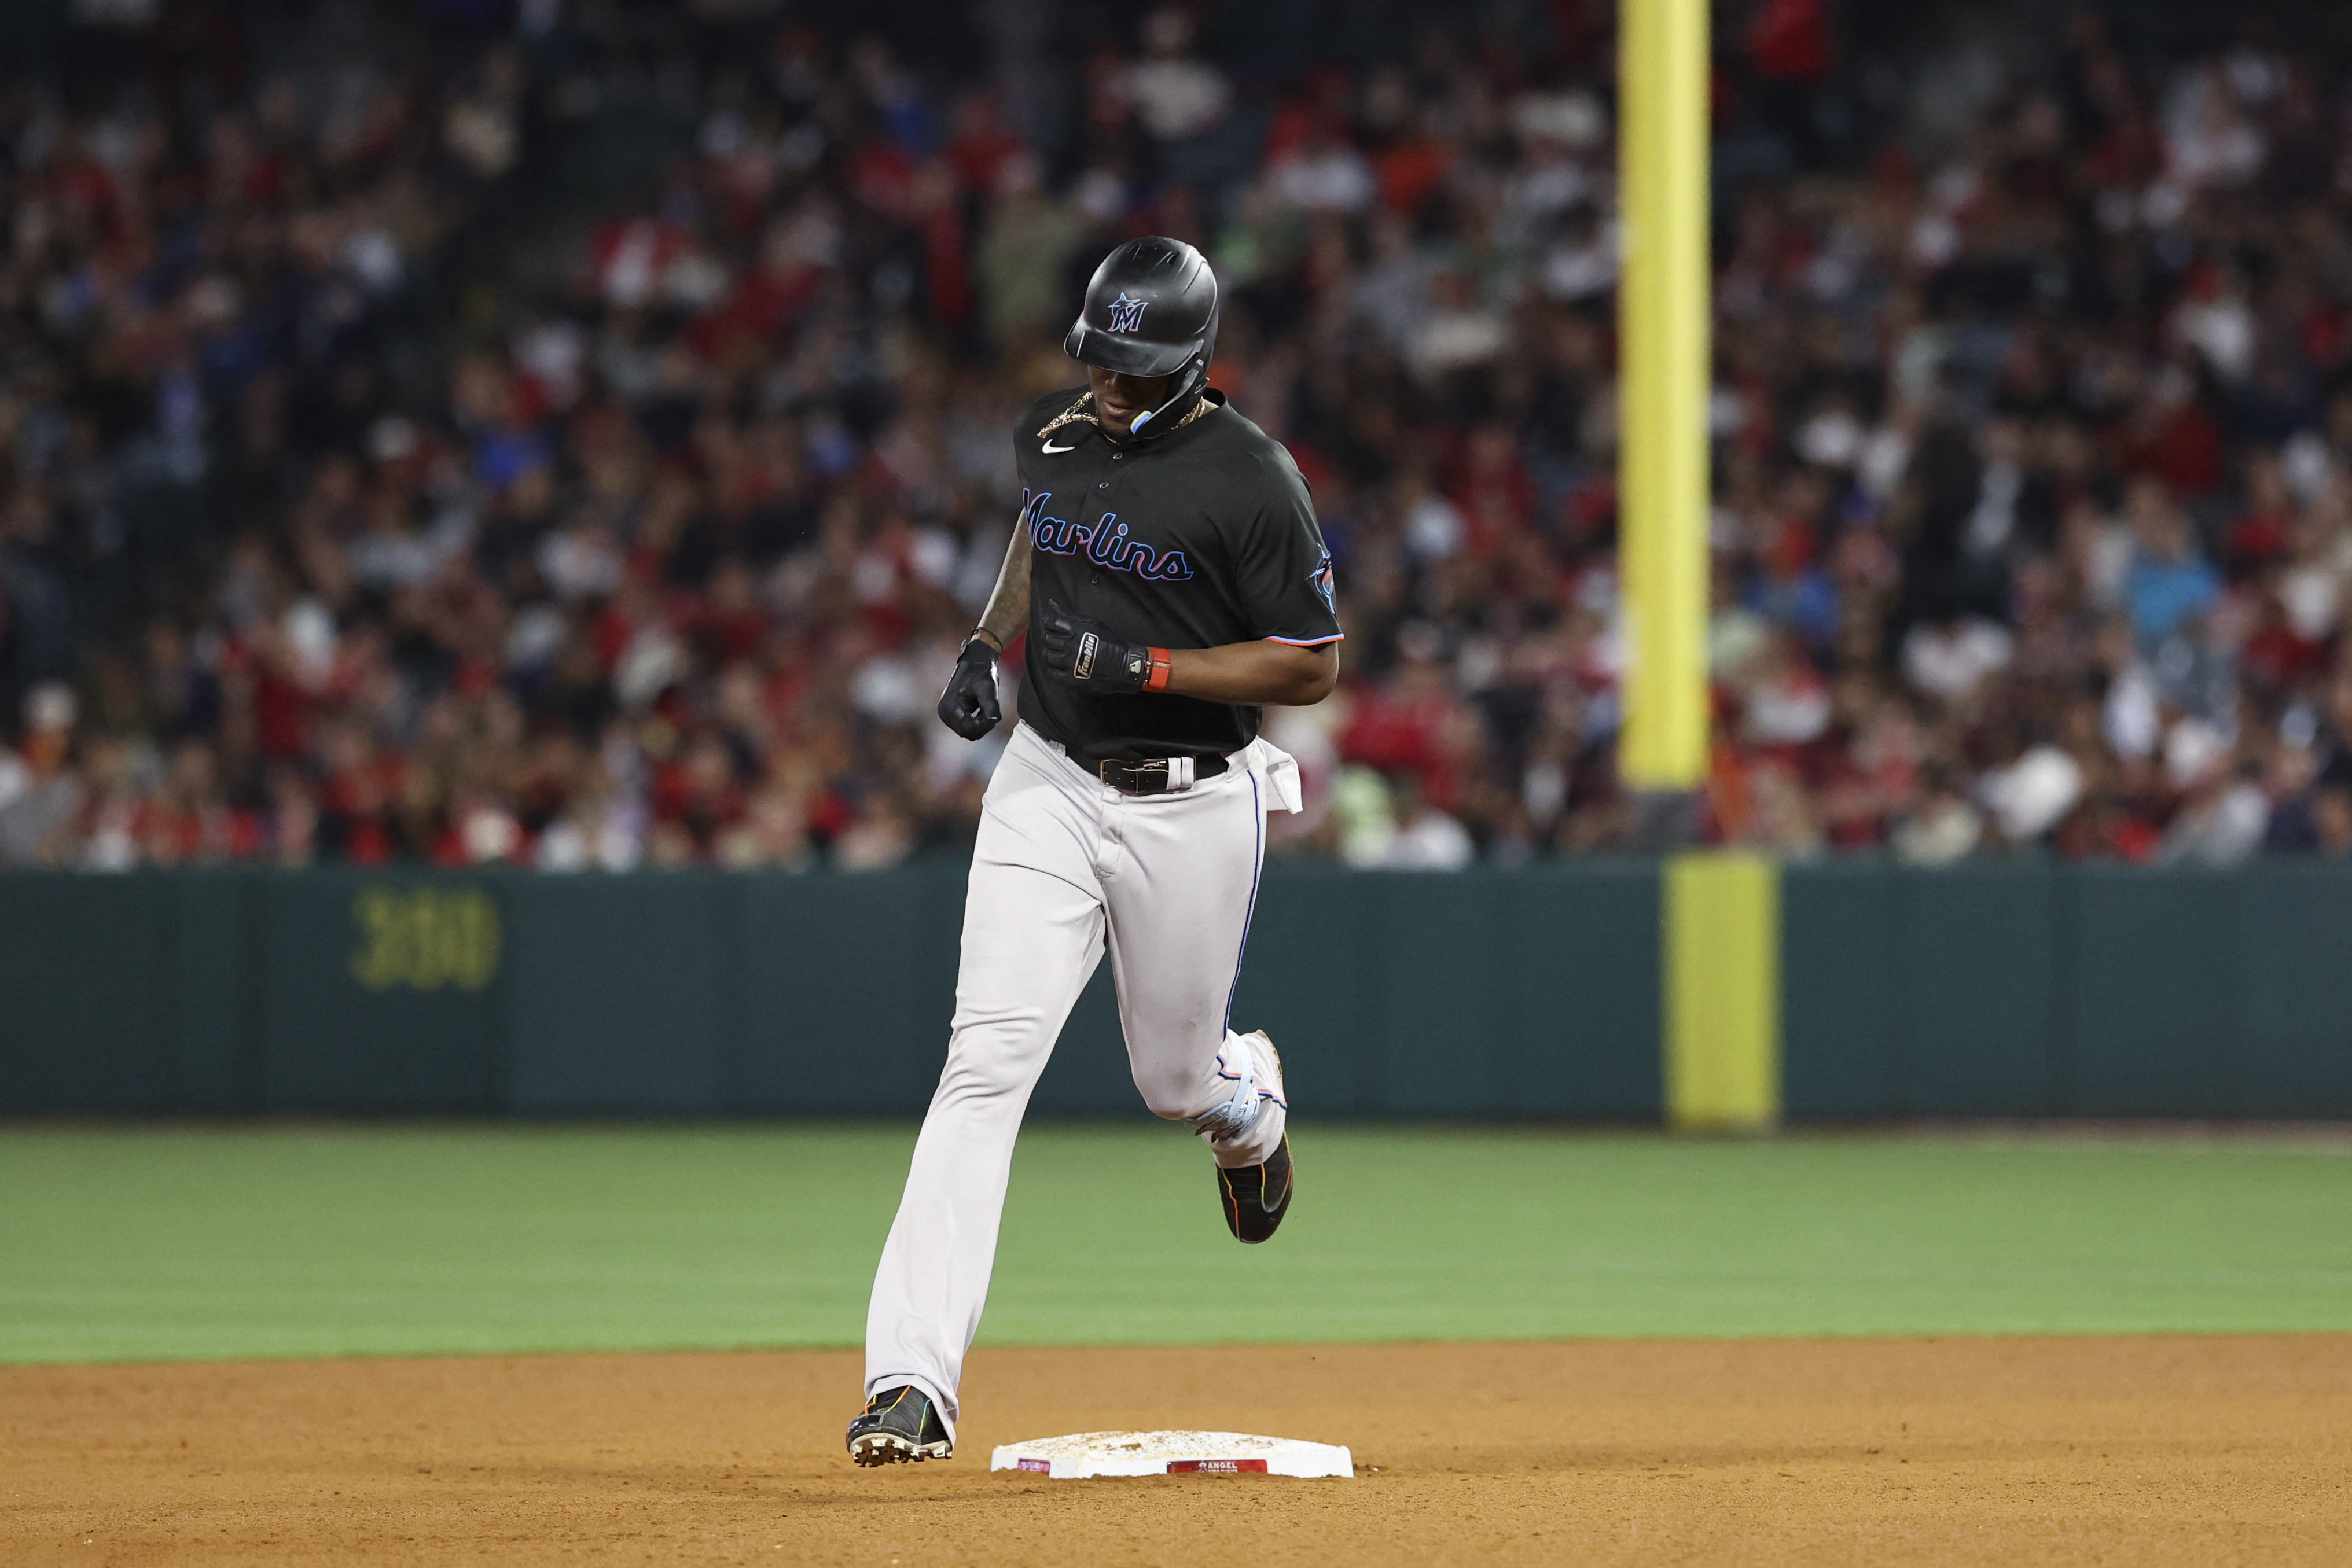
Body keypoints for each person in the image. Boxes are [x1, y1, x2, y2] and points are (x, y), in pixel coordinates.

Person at [845, 236, 1344, 1466]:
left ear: (1190, 364)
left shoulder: (1251, 478)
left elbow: (1312, 659)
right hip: (1049, 784)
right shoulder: (1061, 436)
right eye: (1099, 362)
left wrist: (1153, 666)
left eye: (1132, 368)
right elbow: (1043, 531)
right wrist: (983, 643)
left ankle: (1247, 1102)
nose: (1107, 385)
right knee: (983, 1066)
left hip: (1193, 799)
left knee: (1170, 1081)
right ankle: (910, 1379)